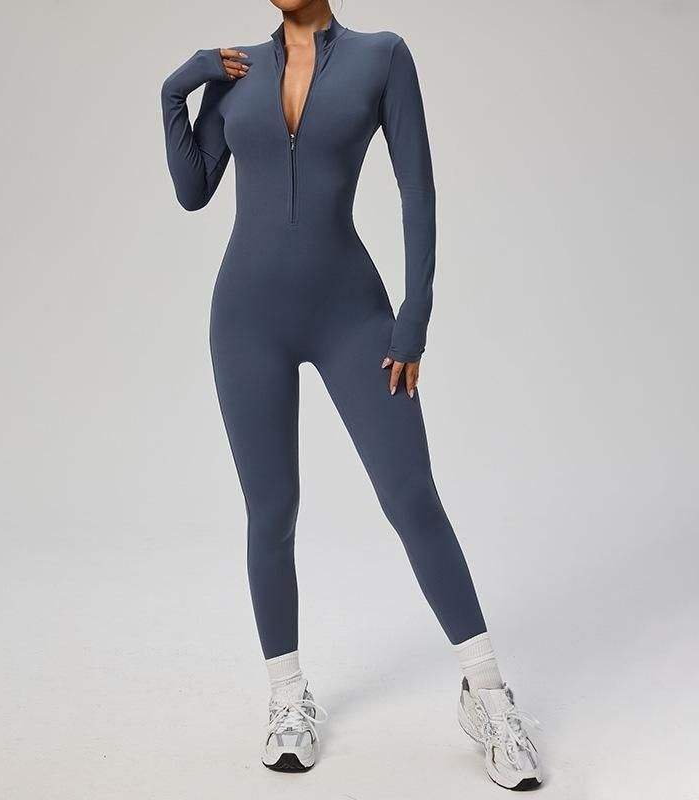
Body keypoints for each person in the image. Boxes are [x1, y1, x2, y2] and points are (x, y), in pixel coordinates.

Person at [160, 0, 542, 789]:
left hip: (353, 317)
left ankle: (489, 697)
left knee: (411, 497)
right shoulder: (234, 72)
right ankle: (287, 697)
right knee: (271, 512)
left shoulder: (382, 57)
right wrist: (177, 90)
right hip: (246, 322)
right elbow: (193, 191)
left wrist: (414, 316)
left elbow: (417, 191)